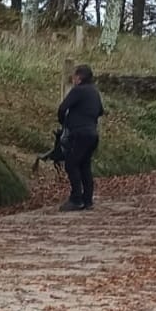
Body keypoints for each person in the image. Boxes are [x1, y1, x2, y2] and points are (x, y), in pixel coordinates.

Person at [56, 64, 103, 211]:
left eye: (75, 76)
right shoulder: (94, 92)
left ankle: (76, 199)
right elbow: (100, 111)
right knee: (84, 165)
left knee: (71, 164)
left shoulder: (78, 90)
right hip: (92, 134)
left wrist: (64, 122)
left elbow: (63, 107)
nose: (73, 78)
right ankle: (87, 199)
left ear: (79, 77)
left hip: (79, 133)